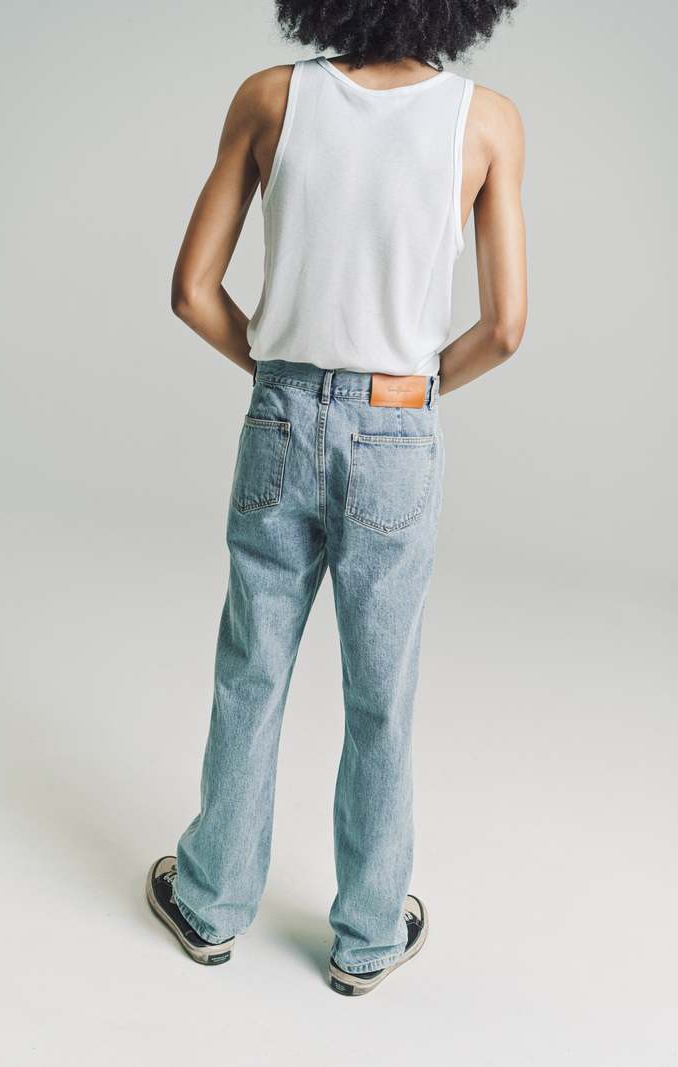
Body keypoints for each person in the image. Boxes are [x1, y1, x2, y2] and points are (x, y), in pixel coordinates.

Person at [147, 0, 526, 997]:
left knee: (252, 670)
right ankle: (366, 934)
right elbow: (505, 327)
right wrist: (405, 393)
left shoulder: (269, 99)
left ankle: (209, 904)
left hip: (280, 413)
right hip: (399, 427)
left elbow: (192, 290)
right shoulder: (485, 121)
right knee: (381, 690)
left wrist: (285, 378)